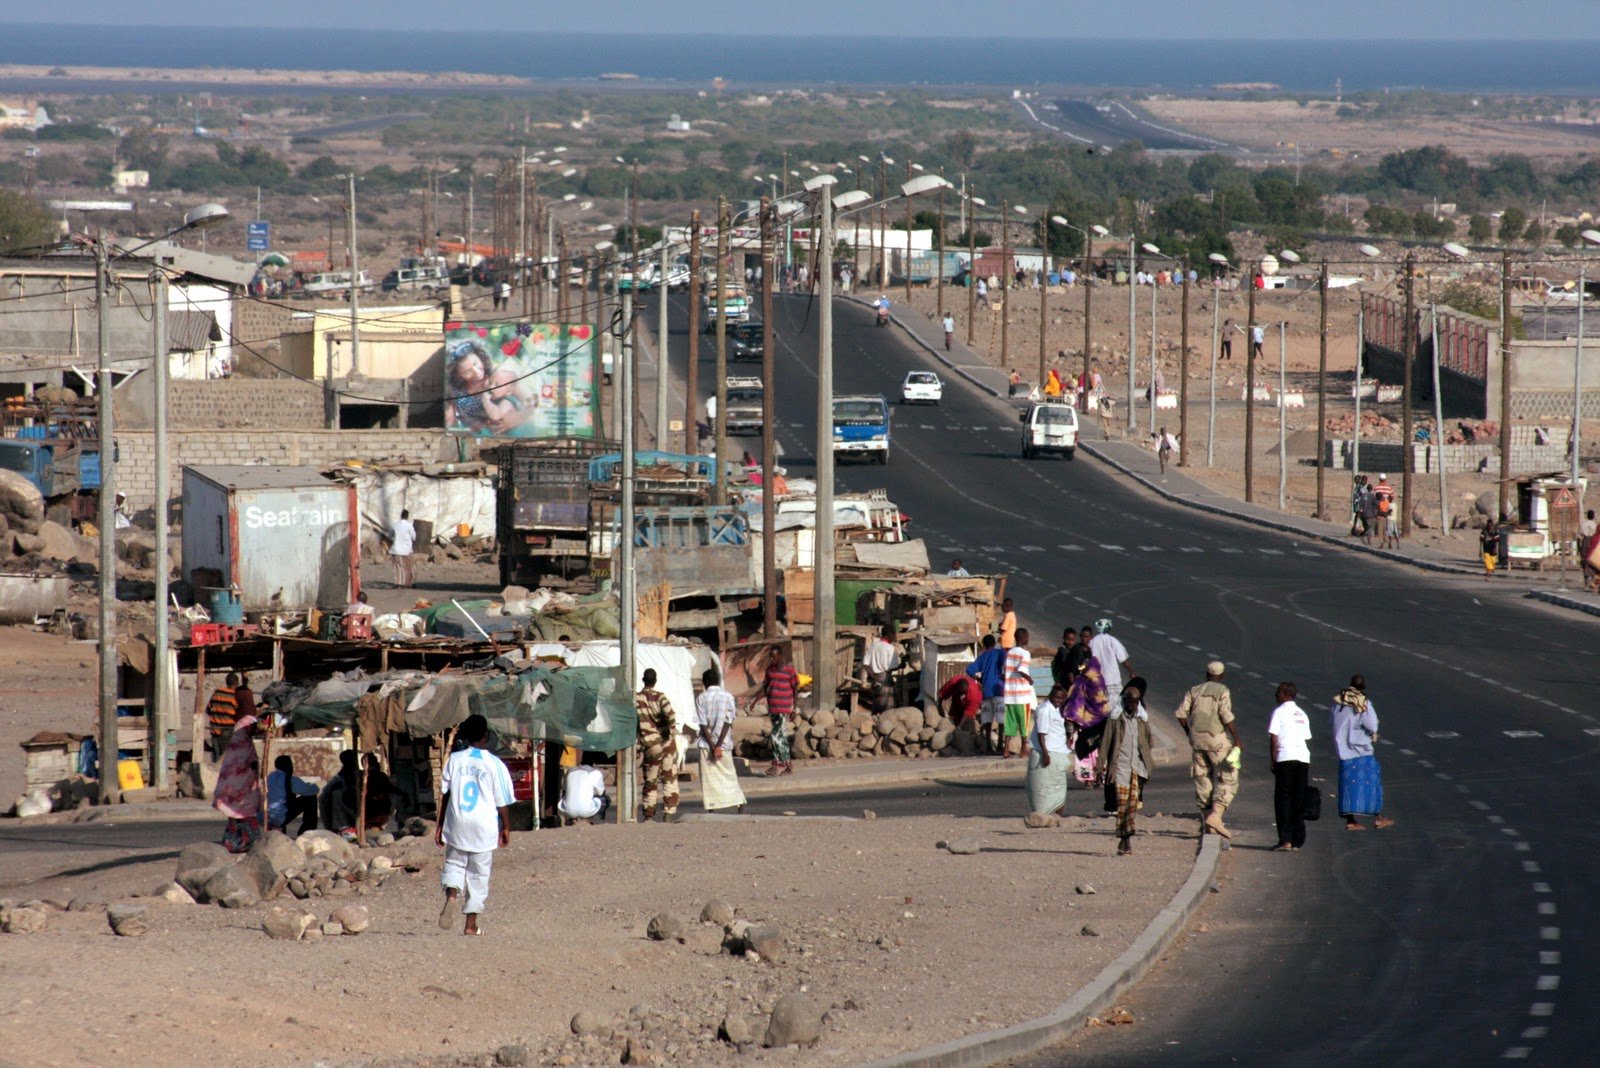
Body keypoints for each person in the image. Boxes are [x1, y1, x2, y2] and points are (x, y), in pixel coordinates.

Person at [436, 714, 514, 935]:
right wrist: (506, 826)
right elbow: (502, 801)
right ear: (486, 736)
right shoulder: (494, 764)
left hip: (457, 821)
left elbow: (445, 794)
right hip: (484, 825)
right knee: (478, 875)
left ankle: (452, 895)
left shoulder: (455, 760)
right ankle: (471, 925)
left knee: (454, 864)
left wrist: (440, 825)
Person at [1174, 661, 1242, 839]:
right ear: (1221, 676)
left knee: (1202, 778)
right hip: (1216, 740)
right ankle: (1216, 816)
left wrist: (1189, 732)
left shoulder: (1195, 690)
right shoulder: (1222, 691)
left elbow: (1181, 714)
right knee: (1228, 777)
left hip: (1197, 740)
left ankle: (1208, 825)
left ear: (1206, 674)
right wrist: (1237, 739)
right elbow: (1225, 715)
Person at [1330, 674, 1393, 831]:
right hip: (1361, 751)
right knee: (1372, 784)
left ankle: (1351, 821)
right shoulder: (1363, 703)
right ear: (1362, 688)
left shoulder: (1338, 703)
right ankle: (1378, 817)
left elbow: (1332, 722)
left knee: (1347, 788)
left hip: (1343, 752)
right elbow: (1372, 725)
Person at [1102, 678, 1153, 855]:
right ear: (1124, 701)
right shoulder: (1115, 719)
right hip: (1120, 769)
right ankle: (1124, 838)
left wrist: (1147, 763)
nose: (1133, 705)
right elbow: (1106, 743)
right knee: (1122, 805)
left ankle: (1126, 837)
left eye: (1136, 702)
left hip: (1137, 768)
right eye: (1130, 701)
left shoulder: (1141, 720)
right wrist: (1100, 766)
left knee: (1132, 806)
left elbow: (1148, 741)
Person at [1268, 681, 1313, 852]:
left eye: (1278, 692)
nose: (1276, 695)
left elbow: (1274, 738)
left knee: (1283, 800)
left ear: (1286, 694)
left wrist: (1273, 761)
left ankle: (1285, 840)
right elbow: (1306, 737)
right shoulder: (1302, 713)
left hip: (1285, 758)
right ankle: (1297, 841)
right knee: (1298, 800)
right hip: (1302, 759)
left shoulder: (1278, 712)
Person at [694, 668, 745, 812]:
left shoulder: (701, 698)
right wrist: (719, 745)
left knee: (710, 779)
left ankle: (712, 807)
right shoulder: (728, 697)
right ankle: (738, 802)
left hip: (706, 745)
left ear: (705, 683)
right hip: (725, 744)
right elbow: (728, 722)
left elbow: (703, 724)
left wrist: (712, 746)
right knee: (729, 774)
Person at [213, 714, 263, 853]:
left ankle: (237, 842)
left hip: (238, 787)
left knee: (238, 816)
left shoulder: (241, 741)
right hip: (239, 788)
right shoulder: (241, 744)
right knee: (243, 814)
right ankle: (246, 842)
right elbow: (244, 764)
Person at [636, 668, 680, 822]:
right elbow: (671, 715)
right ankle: (668, 812)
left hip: (651, 746)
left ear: (643, 680)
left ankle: (649, 814)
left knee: (651, 780)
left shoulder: (637, 699)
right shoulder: (660, 697)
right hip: (666, 745)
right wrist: (670, 734)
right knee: (669, 778)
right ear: (655, 680)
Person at [1027, 684, 1074, 816]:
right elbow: (1041, 734)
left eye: (1061, 698)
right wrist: (1046, 755)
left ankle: (1057, 816)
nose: (1058, 700)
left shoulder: (1057, 709)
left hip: (1057, 752)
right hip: (1049, 753)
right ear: (1051, 696)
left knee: (1058, 791)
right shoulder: (1045, 710)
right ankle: (1048, 815)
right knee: (1047, 791)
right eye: (1056, 697)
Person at [760, 646, 801, 776]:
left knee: (775, 736)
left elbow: (795, 690)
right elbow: (765, 687)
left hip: (784, 708)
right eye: (770, 657)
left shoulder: (790, 671)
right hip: (773, 708)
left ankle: (780, 764)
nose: (772, 659)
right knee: (780, 736)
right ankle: (782, 765)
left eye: (774, 656)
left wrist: (794, 708)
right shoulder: (769, 671)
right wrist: (755, 701)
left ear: (780, 656)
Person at [965, 634, 1007, 755]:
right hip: (998, 690)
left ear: (984, 645)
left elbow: (969, 669)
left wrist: (978, 679)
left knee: (987, 720)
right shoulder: (1000, 653)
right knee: (1001, 720)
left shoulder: (982, 657)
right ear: (994, 643)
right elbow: (1006, 662)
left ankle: (988, 746)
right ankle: (1000, 744)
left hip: (986, 692)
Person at [1002, 627, 1036, 758]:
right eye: (1027, 636)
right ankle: (1023, 749)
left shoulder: (1009, 652)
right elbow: (1022, 670)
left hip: (1010, 694)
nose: (1028, 639)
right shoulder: (1025, 653)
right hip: (1022, 695)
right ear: (1023, 638)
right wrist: (1029, 679)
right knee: (1024, 723)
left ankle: (1005, 750)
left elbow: (1004, 670)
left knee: (1010, 723)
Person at [205, 673, 254, 762]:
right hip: (228, 730)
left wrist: (217, 717)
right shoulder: (234, 695)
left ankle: (215, 774)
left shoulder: (217, 692)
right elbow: (237, 712)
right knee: (227, 757)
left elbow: (208, 709)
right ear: (236, 683)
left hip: (214, 729)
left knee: (216, 756)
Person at [266, 754, 319, 837]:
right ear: (288, 766)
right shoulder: (289, 779)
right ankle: (307, 834)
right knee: (311, 798)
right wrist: (313, 785)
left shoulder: (270, 777)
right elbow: (311, 791)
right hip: (279, 818)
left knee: (284, 801)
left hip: (264, 817)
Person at [319, 750, 362, 839]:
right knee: (337, 794)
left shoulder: (359, 775)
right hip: (344, 814)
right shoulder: (339, 780)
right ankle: (342, 828)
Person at [1087, 618, 1131, 698]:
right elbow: (1124, 660)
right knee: (1115, 707)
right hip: (1113, 681)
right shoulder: (1113, 641)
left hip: (1098, 682)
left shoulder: (1092, 642)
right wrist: (1131, 672)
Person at [864, 626, 901, 713]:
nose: (895, 637)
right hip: (886, 680)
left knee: (876, 706)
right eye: (894, 635)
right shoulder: (890, 648)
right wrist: (901, 665)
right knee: (888, 708)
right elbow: (893, 667)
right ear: (889, 635)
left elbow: (865, 664)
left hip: (876, 679)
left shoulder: (873, 645)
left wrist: (874, 677)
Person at [390, 510, 417, 589]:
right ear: (407, 516)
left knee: (398, 567)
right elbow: (414, 537)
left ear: (400, 516)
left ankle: (399, 583)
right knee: (410, 566)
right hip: (407, 550)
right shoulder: (409, 526)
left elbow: (390, 534)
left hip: (396, 550)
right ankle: (411, 583)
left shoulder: (395, 525)